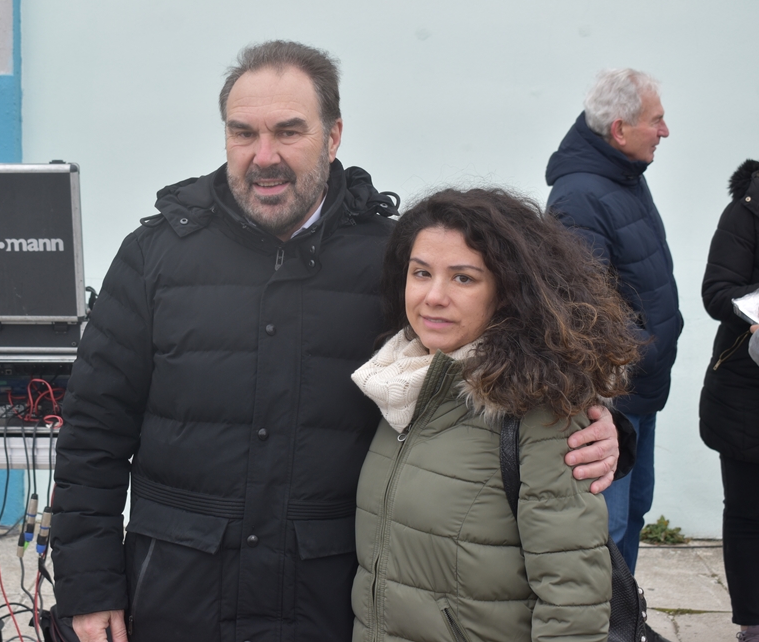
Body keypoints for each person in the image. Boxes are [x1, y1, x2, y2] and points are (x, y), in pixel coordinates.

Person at [51, 41, 624, 642]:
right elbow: (93, 433)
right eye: (243, 133)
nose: (264, 156)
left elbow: (511, 361)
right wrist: (89, 587)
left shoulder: (393, 261)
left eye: (288, 131)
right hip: (176, 595)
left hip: (331, 603)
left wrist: (601, 428)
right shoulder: (155, 257)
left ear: (333, 136)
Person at [351, 187, 637, 642]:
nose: (434, 296)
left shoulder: (539, 411)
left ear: (507, 291)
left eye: (463, 278)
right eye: (421, 273)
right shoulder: (394, 386)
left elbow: (573, 600)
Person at [546, 68, 683, 573]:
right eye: (656, 120)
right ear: (620, 130)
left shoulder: (624, 178)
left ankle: (628, 612)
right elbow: (582, 309)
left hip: (640, 388)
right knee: (609, 528)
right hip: (614, 398)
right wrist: (645, 350)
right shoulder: (580, 197)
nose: (665, 131)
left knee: (634, 515)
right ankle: (607, 616)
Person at [700, 159, 759, 642]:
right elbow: (718, 293)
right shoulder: (748, 210)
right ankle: (753, 627)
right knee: (748, 512)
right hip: (747, 391)